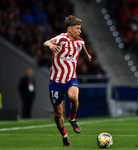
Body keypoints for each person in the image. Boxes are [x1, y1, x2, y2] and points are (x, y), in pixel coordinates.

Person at [43, 15, 91, 147]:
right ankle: (64, 136)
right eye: (77, 28)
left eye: (80, 28)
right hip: (56, 82)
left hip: (71, 78)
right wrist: (51, 45)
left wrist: (87, 55)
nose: (79, 31)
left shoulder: (79, 42)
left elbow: (82, 46)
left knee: (74, 96)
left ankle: (72, 118)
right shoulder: (62, 38)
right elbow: (46, 42)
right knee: (58, 114)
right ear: (69, 29)